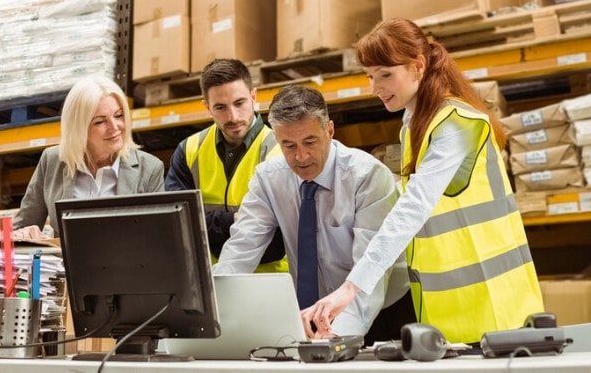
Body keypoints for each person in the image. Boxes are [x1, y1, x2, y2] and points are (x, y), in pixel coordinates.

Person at [302, 18, 544, 345]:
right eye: (370, 76)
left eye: (385, 74)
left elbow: (413, 208)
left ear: (418, 66)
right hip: (451, 312)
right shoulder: (415, 124)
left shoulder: (454, 124)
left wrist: (351, 288)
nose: (376, 87)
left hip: (494, 307)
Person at [213, 85, 412, 342]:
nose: (301, 156)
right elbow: (240, 249)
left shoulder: (368, 177)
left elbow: (370, 274)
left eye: (310, 142)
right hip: (309, 314)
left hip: (380, 311)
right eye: (288, 145)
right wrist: (208, 314)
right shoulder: (269, 178)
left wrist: (336, 338)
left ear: (329, 130)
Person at [165, 58, 286, 272]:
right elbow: (176, 224)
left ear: (254, 96)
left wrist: (208, 223)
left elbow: (277, 235)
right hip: (212, 282)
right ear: (207, 107)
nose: (233, 116)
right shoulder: (189, 151)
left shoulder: (281, 150)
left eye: (239, 103)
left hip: (272, 281)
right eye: (220, 107)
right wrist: (234, 220)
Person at [14, 75, 164, 237]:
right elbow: (20, 230)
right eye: (100, 122)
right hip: (64, 262)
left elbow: (158, 238)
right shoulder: (52, 160)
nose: (115, 127)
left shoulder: (149, 169)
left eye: (119, 115)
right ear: (79, 128)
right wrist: (25, 233)